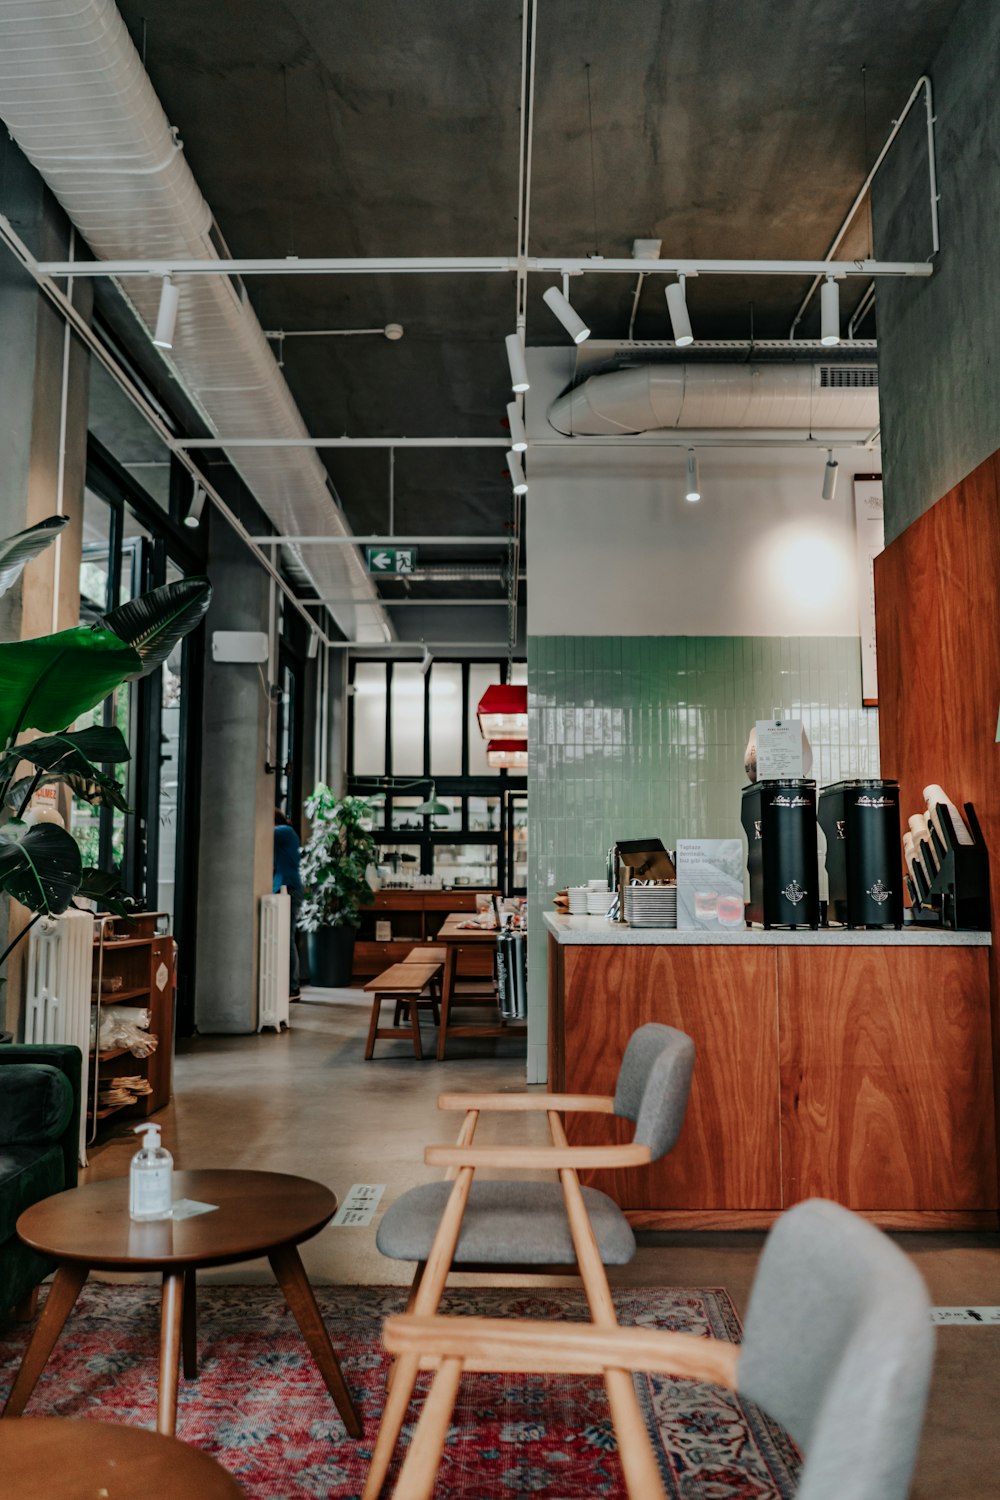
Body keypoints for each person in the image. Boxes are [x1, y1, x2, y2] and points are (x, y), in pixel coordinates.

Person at [273, 807, 303, 1000]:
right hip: (287, 886)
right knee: (286, 937)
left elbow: (261, 832)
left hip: (289, 887)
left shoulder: (283, 831)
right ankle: (291, 985)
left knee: (287, 937)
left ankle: (293, 986)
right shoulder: (286, 833)